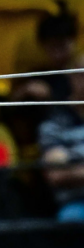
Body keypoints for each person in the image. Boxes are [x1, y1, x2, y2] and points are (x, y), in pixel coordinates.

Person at [7, 14, 81, 148]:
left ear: (74, 41)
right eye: (52, 47)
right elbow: (10, 108)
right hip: (53, 139)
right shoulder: (38, 77)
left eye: (62, 45)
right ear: (42, 46)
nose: (58, 53)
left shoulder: (80, 73)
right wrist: (24, 91)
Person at [39, 60, 84, 222]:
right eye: (82, 75)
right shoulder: (54, 123)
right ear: (71, 79)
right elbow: (56, 175)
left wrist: (76, 168)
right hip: (76, 203)